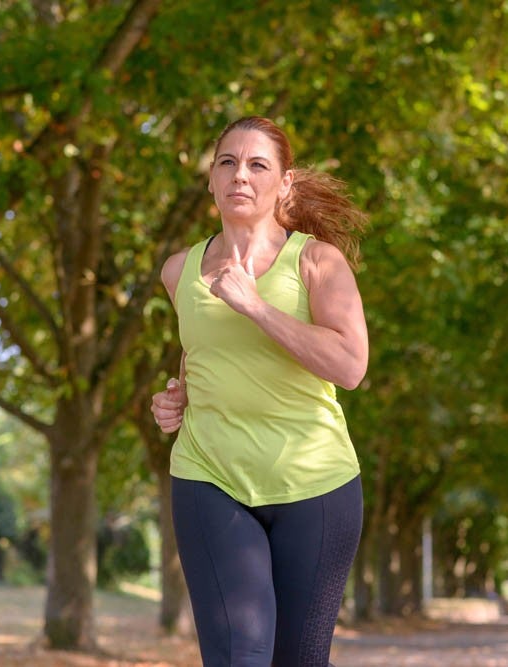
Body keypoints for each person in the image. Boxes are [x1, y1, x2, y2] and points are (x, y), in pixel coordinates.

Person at [150, 116, 369, 667]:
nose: (239, 176)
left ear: (284, 183)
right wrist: (175, 398)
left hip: (315, 485)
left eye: (257, 165)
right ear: (210, 180)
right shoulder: (180, 271)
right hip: (211, 477)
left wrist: (255, 306)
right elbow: (197, 354)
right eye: (227, 162)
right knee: (239, 654)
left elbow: (349, 365)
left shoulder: (317, 262)